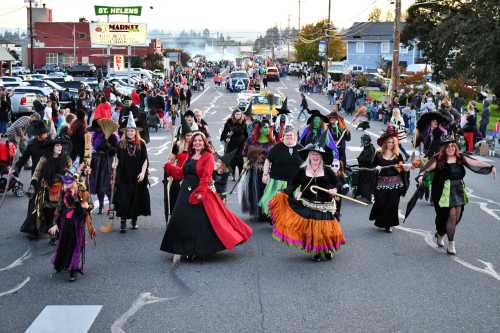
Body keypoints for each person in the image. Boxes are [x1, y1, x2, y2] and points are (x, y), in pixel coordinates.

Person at [160, 132, 253, 262]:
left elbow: (206, 177)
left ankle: (196, 250)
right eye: (195, 141)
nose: (197, 143)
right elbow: (182, 173)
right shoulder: (189, 155)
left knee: (199, 223)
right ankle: (182, 248)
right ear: (192, 143)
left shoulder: (208, 156)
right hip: (185, 192)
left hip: (200, 192)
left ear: (204, 143)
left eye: (200, 140)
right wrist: (169, 167)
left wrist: (200, 193)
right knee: (181, 219)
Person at [417, 135, 496, 254]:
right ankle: (451, 244)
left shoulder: (460, 158)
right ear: (443, 148)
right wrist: (421, 176)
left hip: (458, 190)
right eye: (447, 146)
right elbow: (425, 168)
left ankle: (440, 234)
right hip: (442, 191)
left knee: (456, 217)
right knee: (449, 216)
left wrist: (490, 166)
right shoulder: (438, 160)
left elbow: (475, 162)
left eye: (452, 145)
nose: (450, 148)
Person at [269, 143, 346, 262]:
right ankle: (316, 251)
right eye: (313, 154)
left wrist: (334, 189)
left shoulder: (327, 170)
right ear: (308, 156)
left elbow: (337, 183)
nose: (315, 156)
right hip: (308, 204)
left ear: (321, 157)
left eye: (317, 154)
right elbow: (293, 184)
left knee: (325, 231)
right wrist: (284, 193)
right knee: (313, 230)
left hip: (325, 205)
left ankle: (327, 250)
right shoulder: (302, 170)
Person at [48, 162, 93, 282]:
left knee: (76, 246)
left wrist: (86, 206)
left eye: (68, 183)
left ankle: (73, 270)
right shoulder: (63, 193)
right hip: (65, 223)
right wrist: (55, 223)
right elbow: (58, 208)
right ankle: (59, 264)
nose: (65, 186)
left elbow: (90, 205)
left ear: (74, 182)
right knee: (63, 243)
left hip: (77, 224)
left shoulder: (82, 192)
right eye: (64, 183)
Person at [22, 136, 71, 240]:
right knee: (44, 210)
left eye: (61, 145)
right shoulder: (44, 158)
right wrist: (34, 182)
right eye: (57, 145)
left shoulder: (66, 158)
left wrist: (77, 174)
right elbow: (37, 172)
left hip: (60, 188)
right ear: (52, 147)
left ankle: (57, 232)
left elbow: (71, 171)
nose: (60, 147)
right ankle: (42, 229)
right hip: (46, 188)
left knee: (58, 210)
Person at [113, 113, 151, 233]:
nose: (130, 133)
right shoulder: (121, 144)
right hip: (124, 176)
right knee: (124, 199)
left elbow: (145, 160)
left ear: (135, 131)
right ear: (125, 132)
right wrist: (114, 165)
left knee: (136, 198)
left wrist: (143, 173)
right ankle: (123, 222)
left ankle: (134, 220)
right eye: (128, 131)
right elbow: (117, 158)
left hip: (137, 176)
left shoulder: (141, 143)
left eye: (132, 131)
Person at [369, 129, 410, 233]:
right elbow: (372, 166)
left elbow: (401, 169)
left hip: (395, 184)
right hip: (381, 183)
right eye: (388, 142)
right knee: (381, 202)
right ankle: (381, 222)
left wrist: (405, 167)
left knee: (392, 204)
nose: (390, 144)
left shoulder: (397, 155)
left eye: (392, 142)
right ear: (385, 143)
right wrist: (376, 168)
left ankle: (389, 225)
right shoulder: (378, 154)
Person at [258, 125, 303, 219]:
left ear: (295, 136)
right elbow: (267, 161)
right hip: (278, 182)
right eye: (287, 135)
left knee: (294, 205)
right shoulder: (277, 148)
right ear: (283, 136)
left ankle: (290, 222)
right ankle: (277, 221)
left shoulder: (301, 148)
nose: (289, 137)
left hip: (295, 183)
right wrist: (265, 175)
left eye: (291, 135)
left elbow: (308, 163)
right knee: (276, 203)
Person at [88, 119, 119, 215]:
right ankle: (101, 205)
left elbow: (115, 150)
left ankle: (111, 205)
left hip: (107, 161)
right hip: (97, 160)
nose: (95, 131)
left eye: (96, 129)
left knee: (106, 185)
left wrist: (108, 144)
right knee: (97, 184)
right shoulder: (95, 135)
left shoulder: (112, 136)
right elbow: (94, 147)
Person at [163, 126, 193, 223]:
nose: (189, 137)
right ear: (183, 136)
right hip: (179, 174)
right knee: (174, 194)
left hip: (191, 175)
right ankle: (174, 218)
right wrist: (169, 166)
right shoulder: (178, 145)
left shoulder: (195, 145)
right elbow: (171, 160)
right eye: (187, 135)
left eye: (191, 135)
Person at [220, 109, 247, 179]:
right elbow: (224, 133)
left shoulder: (244, 123)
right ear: (234, 115)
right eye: (236, 114)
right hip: (231, 144)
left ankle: (241, 174)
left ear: (241, 115)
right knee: (232, 161)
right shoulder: (229, 123)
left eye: (239, 114)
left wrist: (246, 141)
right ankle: (233, 174)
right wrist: (226, 138)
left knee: (240, 160)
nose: (238, 116)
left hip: (241, 144)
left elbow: (246, 134)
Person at [354, 134, 376, 202]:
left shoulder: (371, 149)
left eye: (362, 140)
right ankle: (360, 193)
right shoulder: (367, 147)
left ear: (366, 141)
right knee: (360, 181)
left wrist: (360, 159)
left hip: (368, 169)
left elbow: (369, 160)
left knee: (366, 184)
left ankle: (368, 198)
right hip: (363, 168)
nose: (361, 141)